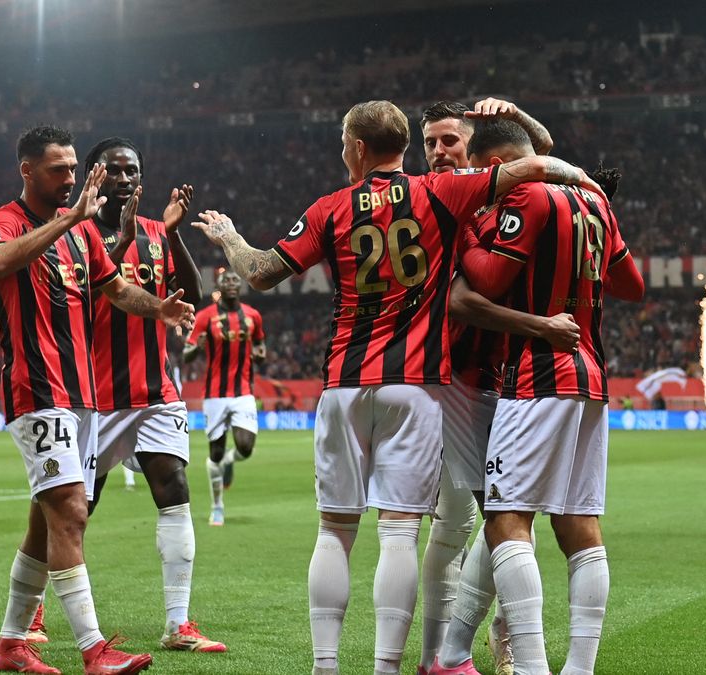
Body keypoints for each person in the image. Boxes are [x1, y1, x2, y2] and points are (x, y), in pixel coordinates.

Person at [191, 100, 598, 675]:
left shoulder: (329, 206)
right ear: (406, 145)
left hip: (344, 382)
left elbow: (259, 270)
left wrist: (229, 236)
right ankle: (388, 668)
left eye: (342, 143)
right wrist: (585, 185)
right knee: (401, 534)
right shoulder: (440, 194)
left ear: (357, 148)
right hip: (417, 385)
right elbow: (531, 167)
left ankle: (326, 667)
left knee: (334, 530)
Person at [0, 125, 195, 675]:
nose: (72, 178)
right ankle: (95, 650)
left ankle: (10, 645)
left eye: (75, 168)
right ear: (27, 170)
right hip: (38, 388)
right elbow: (0, 262)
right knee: (73, 513)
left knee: (45, 521)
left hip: (85, 397)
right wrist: (69, 218)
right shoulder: (7, 220)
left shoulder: (84, 237)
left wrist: (161, 309)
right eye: (59, 169)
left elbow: (117, 290)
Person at [437, 119, 644, 675]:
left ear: (499, 161)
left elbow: (488, 278)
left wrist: (468, 235)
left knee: (505, 517)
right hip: (592, 376)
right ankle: (577, 668)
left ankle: (529, 667)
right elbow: (632, 286)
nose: (487, 181)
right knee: (579, 524)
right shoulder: (593, 203)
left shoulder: (523, 195)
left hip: (534, 376)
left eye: (488, 170)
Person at [417, 98, 557, 675]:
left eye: (449, 140)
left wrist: (520, 117)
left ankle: (446, 652)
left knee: (468, 524)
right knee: (494, 515)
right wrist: (537, 325)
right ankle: (471, 648)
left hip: (494, 380)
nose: (438, 152)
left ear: (475, 151)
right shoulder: (433, 203)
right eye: (429, 143)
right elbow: (460, 300)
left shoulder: (489, 190)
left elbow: (540, 155)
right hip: (448, 381)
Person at [79, 136, 226, 653]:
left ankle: (178, 624)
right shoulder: (75, 232)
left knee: (174, 490)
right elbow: (92, 294)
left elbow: (191, 291)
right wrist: (118, 240)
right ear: (95, 175)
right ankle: (33, 613)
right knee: (74, 511)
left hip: (155, 390)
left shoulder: (153, 231)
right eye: (115, 170)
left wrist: (173, 233)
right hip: (94, 397)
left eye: (133, 171)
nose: (125, 179)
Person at [182, 269, 266, 526]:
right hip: (215, 394)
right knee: (215, 454)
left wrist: (260, 354)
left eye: (235, 280)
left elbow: (260, 346)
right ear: (218, 286)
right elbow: (186, 354)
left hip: (243, 392)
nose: (231, 283)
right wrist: (198, 346)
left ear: (240, 286)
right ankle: (217, 506)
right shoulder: (206, 316)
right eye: (226, 280)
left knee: (246, 447)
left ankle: (232, 460)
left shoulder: (253, 316)